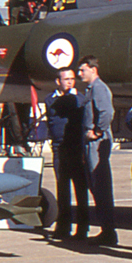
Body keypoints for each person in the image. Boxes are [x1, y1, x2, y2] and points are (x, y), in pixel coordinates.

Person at [78, 55, 117, 245]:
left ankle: (109, 231)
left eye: (82, 70)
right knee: (95, 185)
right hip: (89, 142)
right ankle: (106, 228)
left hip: (96, 143)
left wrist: (98, 131)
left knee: (100, 185)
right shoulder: (91, 89)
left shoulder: (99, 88)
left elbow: (107, 112)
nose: (80, 74)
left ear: (93, 69)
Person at [46, 66, 89, 240]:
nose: (70, 82)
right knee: (62, 188)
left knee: (80, 188)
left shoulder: (79, 99)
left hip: (75, 147)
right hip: (59, 147)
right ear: (58, 81)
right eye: (66, 79)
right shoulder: (51, 100)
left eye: (72, 79)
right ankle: (63, 226)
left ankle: (83, 227)